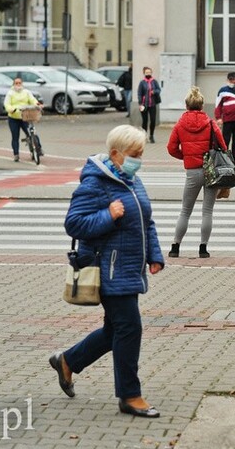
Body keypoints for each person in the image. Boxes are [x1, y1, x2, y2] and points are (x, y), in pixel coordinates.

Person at [49, 125, 164, 418]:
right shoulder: (96, 183)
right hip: (109, 269)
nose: (140, 159)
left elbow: (145, 220)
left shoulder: (131, 179)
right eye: (135, 154)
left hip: (130, 268)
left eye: (141, 154)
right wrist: (108, 216)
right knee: (130, 328)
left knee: (116, 330)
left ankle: (68, 361)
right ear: (116, 154)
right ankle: (130, 395)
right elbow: (73, 224)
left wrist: (155, 254)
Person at [166, 86, 228, 258]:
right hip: (211, 171)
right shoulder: (210, 123)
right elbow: (223, 147)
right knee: (207, 211)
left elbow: (171, 148)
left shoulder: (180, 124)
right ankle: (203, 248)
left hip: (192, 172)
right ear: (201, 106)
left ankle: (175, 247)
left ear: (187, 105)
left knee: (185, 210)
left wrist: (186, 157)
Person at [3, 77, 43, 162]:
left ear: (22, 84)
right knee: (15, 136)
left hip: (25, 117)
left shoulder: (26, 92)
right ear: (13, 85)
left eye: (19, 83)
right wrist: (11, 109)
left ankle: (38, 149)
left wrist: (38, 104)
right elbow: (7, 104)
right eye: (16, 83)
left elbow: (33, 100)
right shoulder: (10, 93)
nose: (18, 85)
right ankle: (16, 154)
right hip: (14, 118)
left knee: (32, 133)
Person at [137, 67, 161, 143]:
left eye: (149, 72)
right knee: (145, 121)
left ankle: (151, 135)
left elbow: (159, 90)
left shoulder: (154, 81)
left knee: (153, 120)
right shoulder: (142, 82)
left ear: (151, 73)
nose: (148, 74)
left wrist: (154, 92)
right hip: (144, 104)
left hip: (152, 104)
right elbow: (139, 93)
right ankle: (144, 136)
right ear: (144, 73)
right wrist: (140, 103)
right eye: (147, 72)